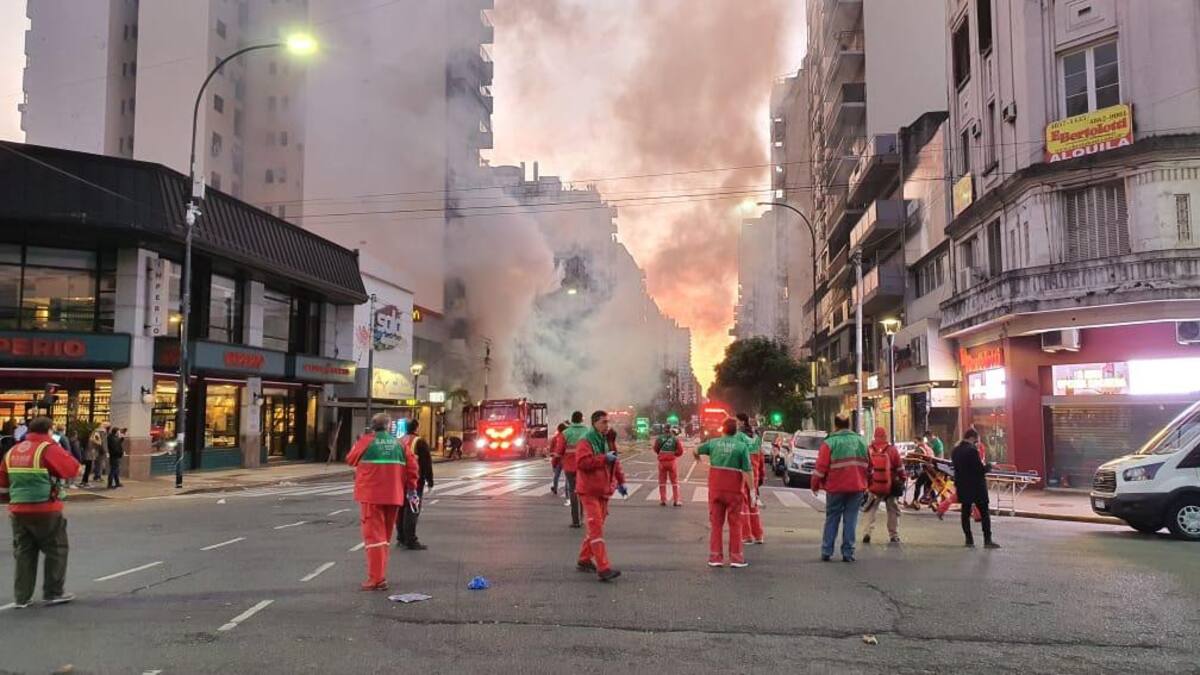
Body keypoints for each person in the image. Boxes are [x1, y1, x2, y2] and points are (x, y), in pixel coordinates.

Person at [0, 416, 82, 608]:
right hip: (45, 508)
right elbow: (71, 469)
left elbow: (3, 484)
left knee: (24, 553)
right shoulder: (48, 448)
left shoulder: (13, 451)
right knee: (56, 549)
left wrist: (14, 501)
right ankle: (53, 593)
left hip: (19, 510)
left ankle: (22, 597)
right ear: (49, 430)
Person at [346, 413, 417, 591]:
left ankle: (376, 579)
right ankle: (380, 575)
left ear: (372, 426)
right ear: (389, 426)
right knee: (384, 537)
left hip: (372, 495)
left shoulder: (366, 441)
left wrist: (358, 443)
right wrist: (411, 490)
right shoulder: (400, 444)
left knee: (374, 538)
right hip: (394, 495)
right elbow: (412, 468)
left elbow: (350, 459)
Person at [573, 410, 626, 582]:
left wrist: (621, 482)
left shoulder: (605, 439)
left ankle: (584, 559)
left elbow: (615, 463)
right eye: (604, 422)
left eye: (607, 422)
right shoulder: (586, 440)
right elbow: (582, 463)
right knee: (596, 528)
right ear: (594, 422)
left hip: (602, 490)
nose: (607, 425)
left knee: (597, 526)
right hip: (589, 490)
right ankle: (603, 568)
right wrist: (604, 459)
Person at [694, 417, 754, 568]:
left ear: (723, 429)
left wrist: (698, 460)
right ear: (736, 431)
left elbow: (695, 450)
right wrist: (752, 491)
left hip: (716, 490)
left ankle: (715, 558)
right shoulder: (741, 447)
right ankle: (736, 558)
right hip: (734, 491)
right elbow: (747, 471)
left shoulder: (713, 443)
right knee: (735, 524)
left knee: (716, 525)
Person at [811, 414, 868, 562]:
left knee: (832, 518)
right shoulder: (861, 441)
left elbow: (820, 468)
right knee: (851, 519)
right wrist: (869, 484)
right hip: (857, 487)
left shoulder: (830, 443)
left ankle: (827, 551)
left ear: (835, 425)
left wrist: (815, 485)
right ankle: (848, 553)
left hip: (835, 487)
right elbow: (870, 466)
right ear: (849, 425)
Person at [951, 429, 1000, 549]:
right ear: (973, 438)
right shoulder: (972, 450)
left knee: (965, 512)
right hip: (976, 486)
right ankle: (987, 540)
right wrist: (989, 466)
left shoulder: (955, 450)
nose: (976, 443)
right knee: (984, 512)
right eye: (976, 440)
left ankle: (969, 540)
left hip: (962, 485)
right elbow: (979, 470)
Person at [861, 427, 906, 544]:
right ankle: (893, 534)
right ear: (886, 436)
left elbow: (864, 468)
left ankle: (867, 532)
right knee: (892, 510)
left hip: (874, 485)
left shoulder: (869, 450)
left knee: (871, 509)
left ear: (874, 436)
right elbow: (900, 468)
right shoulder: (892, 450)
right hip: (890, 485)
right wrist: (902, 479)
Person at [395, 418, 434, 550]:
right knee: (412, 510)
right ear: (416, 428)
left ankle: (400, 537)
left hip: (399, 481)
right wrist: (430, 481)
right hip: (414, 482)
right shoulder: (419, 442)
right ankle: (411, 540)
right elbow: (426, 463)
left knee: (400, 510)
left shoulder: (399, 441)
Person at [735, 413, 765, 545]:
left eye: (737, 421)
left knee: (743, 504)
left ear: (741, 422)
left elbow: (736, 457)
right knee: (753, 504)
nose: (736, 424)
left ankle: (747, 535)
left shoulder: (739, 437)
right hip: (755, 474)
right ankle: (758, 535)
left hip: (743, 474)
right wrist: (761, 476)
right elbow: (761, 459)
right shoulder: (757, 438)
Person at [561, 411, 589, 528]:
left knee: (573, 490)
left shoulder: (565, 433)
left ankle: (575, 520)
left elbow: (559, 450)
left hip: (569, 466)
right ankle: (582, 518)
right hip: (583, 466)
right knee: (582, 490)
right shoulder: (588, 432)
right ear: (582, 419)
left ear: (572, 420)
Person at [653, 426, 684, 506]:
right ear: (670, 430)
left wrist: (661, 454)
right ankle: (676, 500)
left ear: (664, 430)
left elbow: (655, 448)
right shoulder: (675, 439)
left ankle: (663, 500)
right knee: (674, 482)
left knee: (662, 481)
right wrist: (674, 454)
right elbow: (680, 451)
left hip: (662, 462)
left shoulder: (659, 438)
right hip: (671, 462)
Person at [82, 423, 107, 488]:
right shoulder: (94, 436)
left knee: (88, 469)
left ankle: (84, 482)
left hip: (89, 454)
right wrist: (98, 439)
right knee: (88, 469)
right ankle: (85, 482)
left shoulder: (90, 437)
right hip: (90, 454)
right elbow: (99, 442)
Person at [549, 422, 568, 496]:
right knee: (567, 476)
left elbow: (551, 449)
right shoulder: (566, 436)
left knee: (556, 475)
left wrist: (552, 455)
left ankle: (555, 488)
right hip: (565, 459)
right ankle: (567, 490)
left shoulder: (555, 438)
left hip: (556, 459)